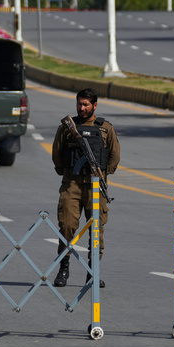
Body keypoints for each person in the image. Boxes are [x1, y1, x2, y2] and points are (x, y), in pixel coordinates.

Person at [50, 88, 120, 288]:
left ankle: (93, 272)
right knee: (67, 226)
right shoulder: (67, 127)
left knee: (96, 229)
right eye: (79, 104)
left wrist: (104, 173)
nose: (82, 108)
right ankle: (63, 269)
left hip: (95, 185)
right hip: (71, 184)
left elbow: (115, 154)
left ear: (94, 106)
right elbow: (57, 151)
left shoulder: (105, 128)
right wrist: (65, 171)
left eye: (86, 105)